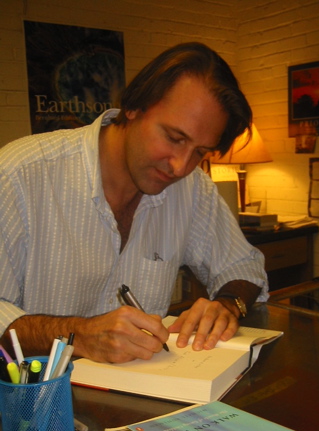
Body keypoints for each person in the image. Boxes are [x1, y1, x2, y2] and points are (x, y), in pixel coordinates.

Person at [0, 42, 268, 364]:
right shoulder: (18, 176)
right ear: (134, 107)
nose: (181, 167)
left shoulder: (192, 189)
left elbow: (244, 266)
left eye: (200, 152)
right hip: (35, 404)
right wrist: (78, 335)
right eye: (174, 137)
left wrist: (226, 305)